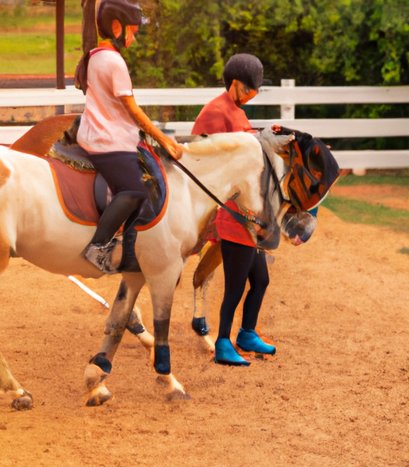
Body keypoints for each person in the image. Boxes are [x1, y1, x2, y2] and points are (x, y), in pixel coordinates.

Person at [75, 0, 183, 272]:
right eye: (132, 32)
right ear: (116, 27)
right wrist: (164, 139)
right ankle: (97, 246)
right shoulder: (114, 62)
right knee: (134, 191)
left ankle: (127, 249)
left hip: (98, 133)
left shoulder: (96, 55)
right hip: (107, 141)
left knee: (140, 188)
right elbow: (133, 110)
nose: (134, 38)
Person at [192, 53, 276, 366]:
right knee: (235, 286)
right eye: (250, 89)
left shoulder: (236, 111)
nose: (253, 95)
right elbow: (211, 158)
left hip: (248, 211)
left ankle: (247, 333)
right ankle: (224, 343)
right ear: (236, 84)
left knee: (261, 280)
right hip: (234, 212)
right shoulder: (216, 112)